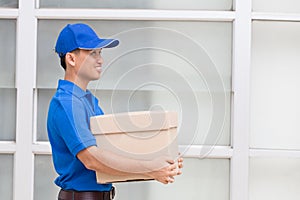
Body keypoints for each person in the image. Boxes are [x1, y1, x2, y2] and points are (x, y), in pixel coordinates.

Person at [47, 23, 183, 200]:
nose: (100, 60)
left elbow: (111, 155)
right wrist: (151, 167)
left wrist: (162, 161)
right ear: (71, 59)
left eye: (100, 53)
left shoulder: (87, 101)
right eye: (92, 53)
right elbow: (92, 160)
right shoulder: (66, 103)